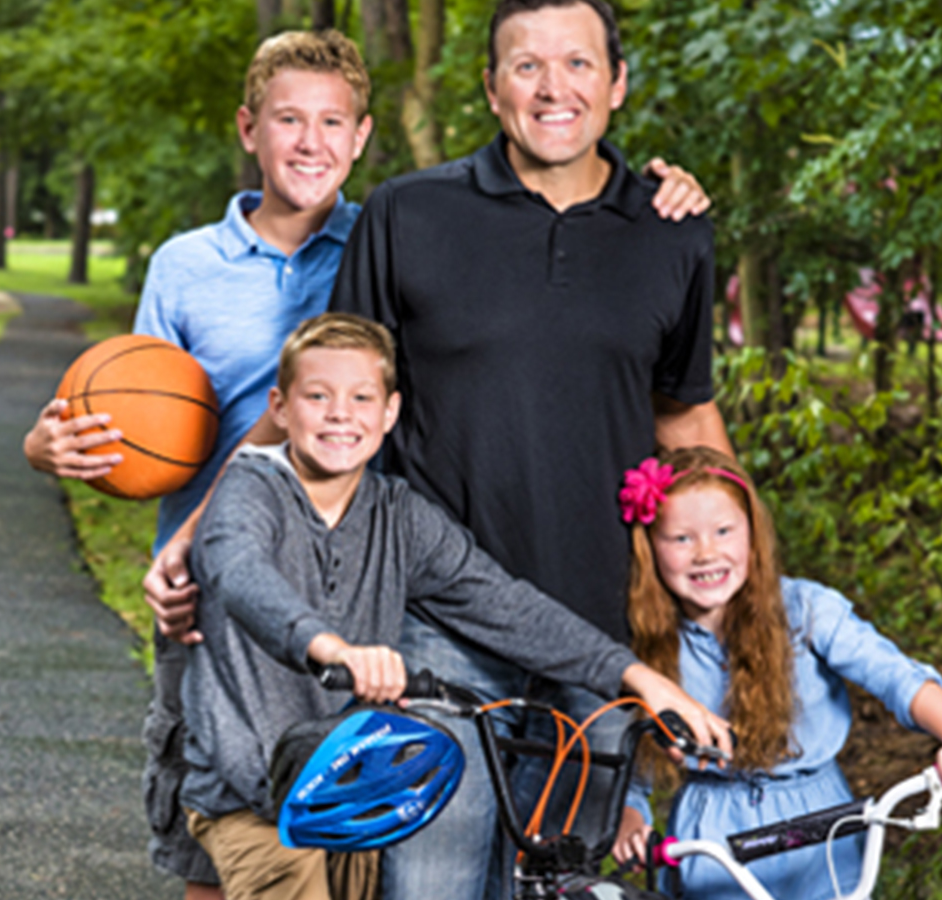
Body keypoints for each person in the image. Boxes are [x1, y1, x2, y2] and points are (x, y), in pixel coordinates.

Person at [23, 26, 710, 899]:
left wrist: (660, 191)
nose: (310, 142)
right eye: (287, 121)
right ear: (248, 128)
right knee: (226, 831)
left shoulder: (392, 231)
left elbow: (644, 377)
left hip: (368, 589)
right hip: (229, 586)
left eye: (331, 123)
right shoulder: (207, 263)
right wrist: (77, 467)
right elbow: (135, 410)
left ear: (363, 136)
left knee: (352, 859)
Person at [321, 2, 734, 897]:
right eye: (527, 66)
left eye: (579, 65)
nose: (555, 89)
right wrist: (223, 526)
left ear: (617, 85)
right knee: (430, 886)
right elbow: (331, 413)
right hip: (438, 625)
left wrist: (748, 588)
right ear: (490, 87)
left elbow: (687, 419)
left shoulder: (674, 229)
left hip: (604, 634)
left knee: (564, 888)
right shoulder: (406, 214)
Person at [180, 313, 731, 900]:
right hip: (258, 794)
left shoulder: (400, 515)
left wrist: (637, 676)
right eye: (318, 396)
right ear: (281, 408)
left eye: (361, 397)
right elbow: (240, 573)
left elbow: (504, 604)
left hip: (353, 788)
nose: (341, 413)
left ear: (389, 413)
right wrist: (330, 647)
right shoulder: (249, 489)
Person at [610, 446, 942, 900]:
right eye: (681, 539)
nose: (706, 552)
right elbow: (630, 756)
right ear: (650, 548)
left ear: (753, 536)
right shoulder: (646, 646)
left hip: (822, 826)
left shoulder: (807, 609)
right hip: (711, 836)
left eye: (723, 531)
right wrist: (631, 817)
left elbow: (894, 675)